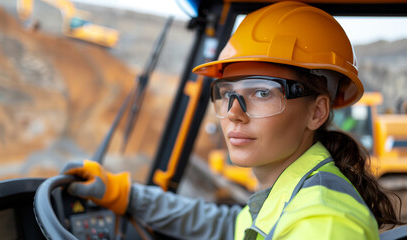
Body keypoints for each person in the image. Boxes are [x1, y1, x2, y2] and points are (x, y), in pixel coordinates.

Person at [61, 1, 403, 239]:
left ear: (317, 112)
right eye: (226, 92)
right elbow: (230, 227)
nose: (233, 113)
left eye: (263, 92)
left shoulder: (324, 224)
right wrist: (127, 195)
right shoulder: (284, 196)